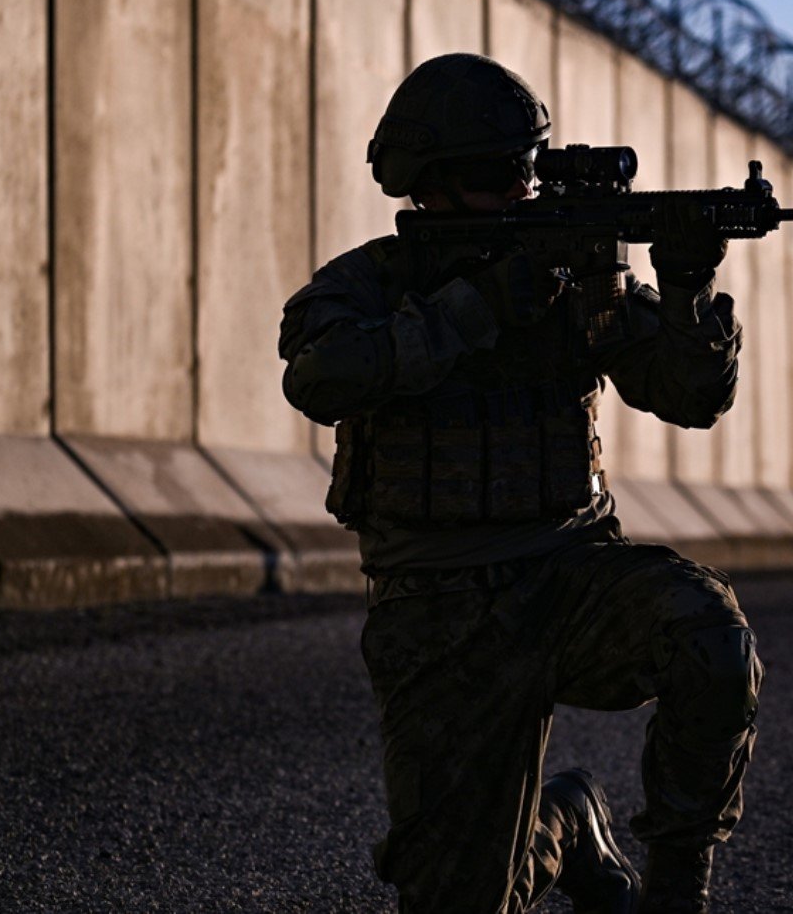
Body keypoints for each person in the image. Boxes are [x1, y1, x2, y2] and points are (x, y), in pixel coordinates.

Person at [279, 53, 760, 914]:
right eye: (497, 174)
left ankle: (675, 890)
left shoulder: (575, 273)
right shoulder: (373, 280)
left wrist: (688, 285)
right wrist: (484, 302)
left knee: (710, 640)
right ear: (429, 182)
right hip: (434, 608)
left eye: (528, 170)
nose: (522, 190)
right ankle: (566, 825)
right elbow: (319, 378)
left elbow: (689, 396)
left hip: (571, 577)